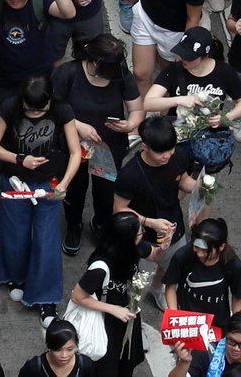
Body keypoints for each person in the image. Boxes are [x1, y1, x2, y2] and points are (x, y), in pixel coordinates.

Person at [0, 74, 81, 327]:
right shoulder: (10, 106)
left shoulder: (62, 109)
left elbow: (75, 152)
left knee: (46, 239)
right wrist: (19, 159)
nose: (35, 113)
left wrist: (64, 184)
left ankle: (46, 298)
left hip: (50, 183)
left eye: (41, 109)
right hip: (16, 181)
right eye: (30, 109)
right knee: (14, 233)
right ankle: (16, 277)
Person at [51, 34, 144, 255]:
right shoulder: (68, 73)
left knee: (106, 191)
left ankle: (101, 223)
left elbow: (137, 109)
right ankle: (74, 225)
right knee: (74, 188)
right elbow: (52, 107)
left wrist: (130, 124)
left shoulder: (122, 76)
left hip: (108, 146)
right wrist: (77, 125)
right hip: (74, 145)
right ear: (95, 62)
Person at [113, 116, 199, 307]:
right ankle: (132, 311)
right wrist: (149, 222)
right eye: (160, 152)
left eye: (170, 148)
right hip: (142, 237)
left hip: (174, 227)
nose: (167, 155)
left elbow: (183, 179)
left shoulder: (178, 155)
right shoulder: (130, 174)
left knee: (172, 266)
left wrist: (198, 187)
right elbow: (119, 210)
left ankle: (158, 287)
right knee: (139, 281)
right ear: (144, 146)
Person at [69, 212, 145, 377]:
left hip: (124, 317)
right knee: (107, 367)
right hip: (106, 323)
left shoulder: (129, 250)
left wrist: (162, 249)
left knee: (124, 364)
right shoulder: (100, 268)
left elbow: (153, 253)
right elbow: (78, 296)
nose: (142, 236)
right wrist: (113, 309)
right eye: (140, 233)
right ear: (128, 240)